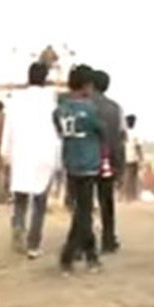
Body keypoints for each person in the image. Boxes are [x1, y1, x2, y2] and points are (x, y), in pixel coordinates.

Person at [3, 62, 60, 259]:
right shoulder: (51, 101)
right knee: (40, 202)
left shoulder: (16, 100)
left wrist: (6, 153)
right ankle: (33, 244)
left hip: (21, 154)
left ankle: (18, 228)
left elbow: (8, 129)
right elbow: (56, 131)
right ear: (45, 78)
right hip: (44, 155)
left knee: (20, 199)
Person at [55, 66, 105, 274]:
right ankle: (73, 255)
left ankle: (88, 255)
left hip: (70, 162)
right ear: (87, 86)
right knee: (83, 213)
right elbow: (101, 131)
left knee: (81, 211)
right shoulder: (90, 109)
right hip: (88, 164)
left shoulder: (59, 110)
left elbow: (60, 132)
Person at [90, 70, 125, 253]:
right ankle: (108, 239)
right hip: (107, 160)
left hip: (87, 160)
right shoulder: (115, 108)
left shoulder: (86, 105)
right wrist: (119, 164)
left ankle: (84, 240)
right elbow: (120, 138)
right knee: (107, 202)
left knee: (85, 203)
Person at [120, 115, 141, 202]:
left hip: (124, 157)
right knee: (132, 177)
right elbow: (138, 147)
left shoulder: (123, 133)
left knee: (126, 176)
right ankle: (131, 195)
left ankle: (124, 195)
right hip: (133, 157)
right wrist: (141, 157)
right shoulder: (136, 133)